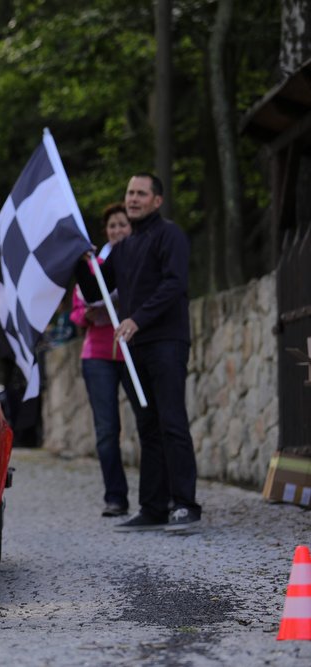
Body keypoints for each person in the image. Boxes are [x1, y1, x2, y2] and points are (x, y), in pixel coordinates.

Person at [77, 173, 201, 532]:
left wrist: (138, 319)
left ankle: (185, 504)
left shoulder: (170, 236)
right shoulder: (123, 248)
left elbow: (175, 284)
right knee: (147, 426)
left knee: (172, 421)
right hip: (135, 349)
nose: (132, 198)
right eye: (129, 192)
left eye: (140, 194)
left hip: (167, 342)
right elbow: (94, 290)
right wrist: (79, 260)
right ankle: (153, 507)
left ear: (156, 201)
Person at [70, 203, 134, 517]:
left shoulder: (138, 261)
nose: (117, 230)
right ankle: (115, 497)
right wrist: (88, 315)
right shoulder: (92, 266)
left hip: (132, 350)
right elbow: (76, 311)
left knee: (148, 422)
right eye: (112, 226)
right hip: (97, 354)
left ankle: (158, 496)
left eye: (122, 224)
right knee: (107, 430)